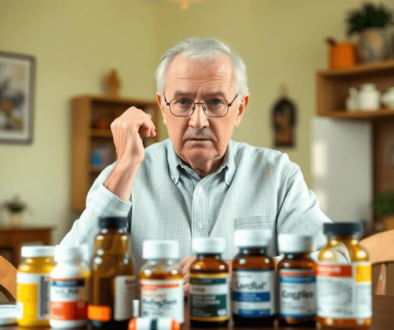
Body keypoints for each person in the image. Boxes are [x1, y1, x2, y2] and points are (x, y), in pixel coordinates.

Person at [62, 37, 348, 294]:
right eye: (183, 102)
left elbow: (336, 258)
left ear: (239, 109)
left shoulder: (278, 175)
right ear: (162, 108)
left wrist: (247, 269)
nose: (198, 121)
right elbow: (64, 270)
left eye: (215, 102)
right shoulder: (124, 176)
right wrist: (124, 167)